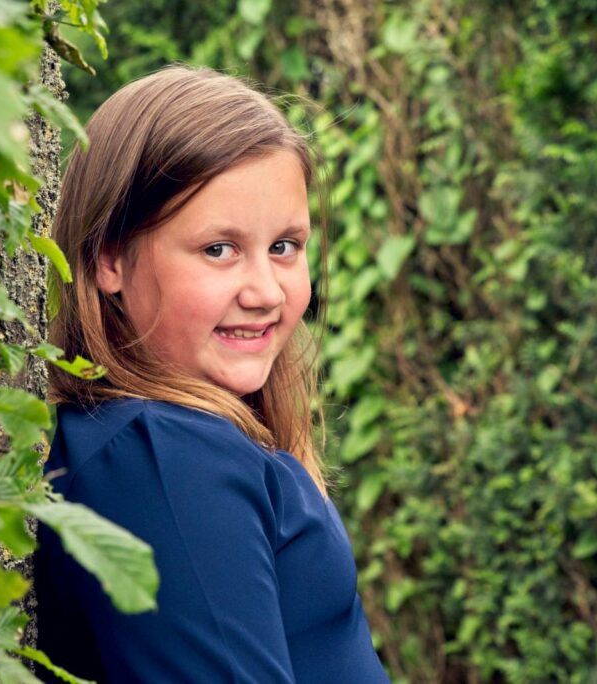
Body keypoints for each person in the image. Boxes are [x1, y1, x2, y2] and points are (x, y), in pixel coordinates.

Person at [34, 65, 390, 683]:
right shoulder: (162, 454)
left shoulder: (185, 436)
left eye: (285, 247)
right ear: (108, 258)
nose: (265, 292)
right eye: (218, 250)